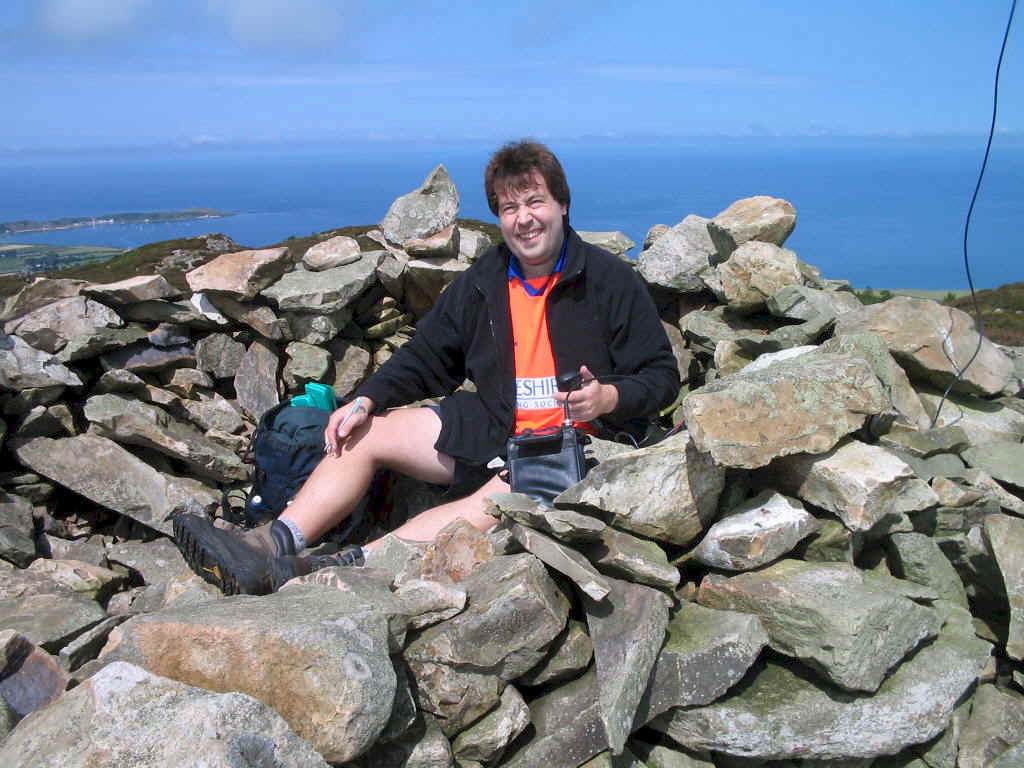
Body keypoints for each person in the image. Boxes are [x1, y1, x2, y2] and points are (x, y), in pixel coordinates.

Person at [173, 139, 680, 595]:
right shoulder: (485, 279)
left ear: (562, 206)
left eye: (535, 202)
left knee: (499, 498)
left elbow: (661, 377)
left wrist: (609, 397)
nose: (523, 218)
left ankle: (340, 567)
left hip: (575, 444)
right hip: (496, 424)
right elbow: (427, 353)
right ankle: (269, 542)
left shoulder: (610, 280)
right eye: (509, 207)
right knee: (364, 431)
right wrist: (366, 399)